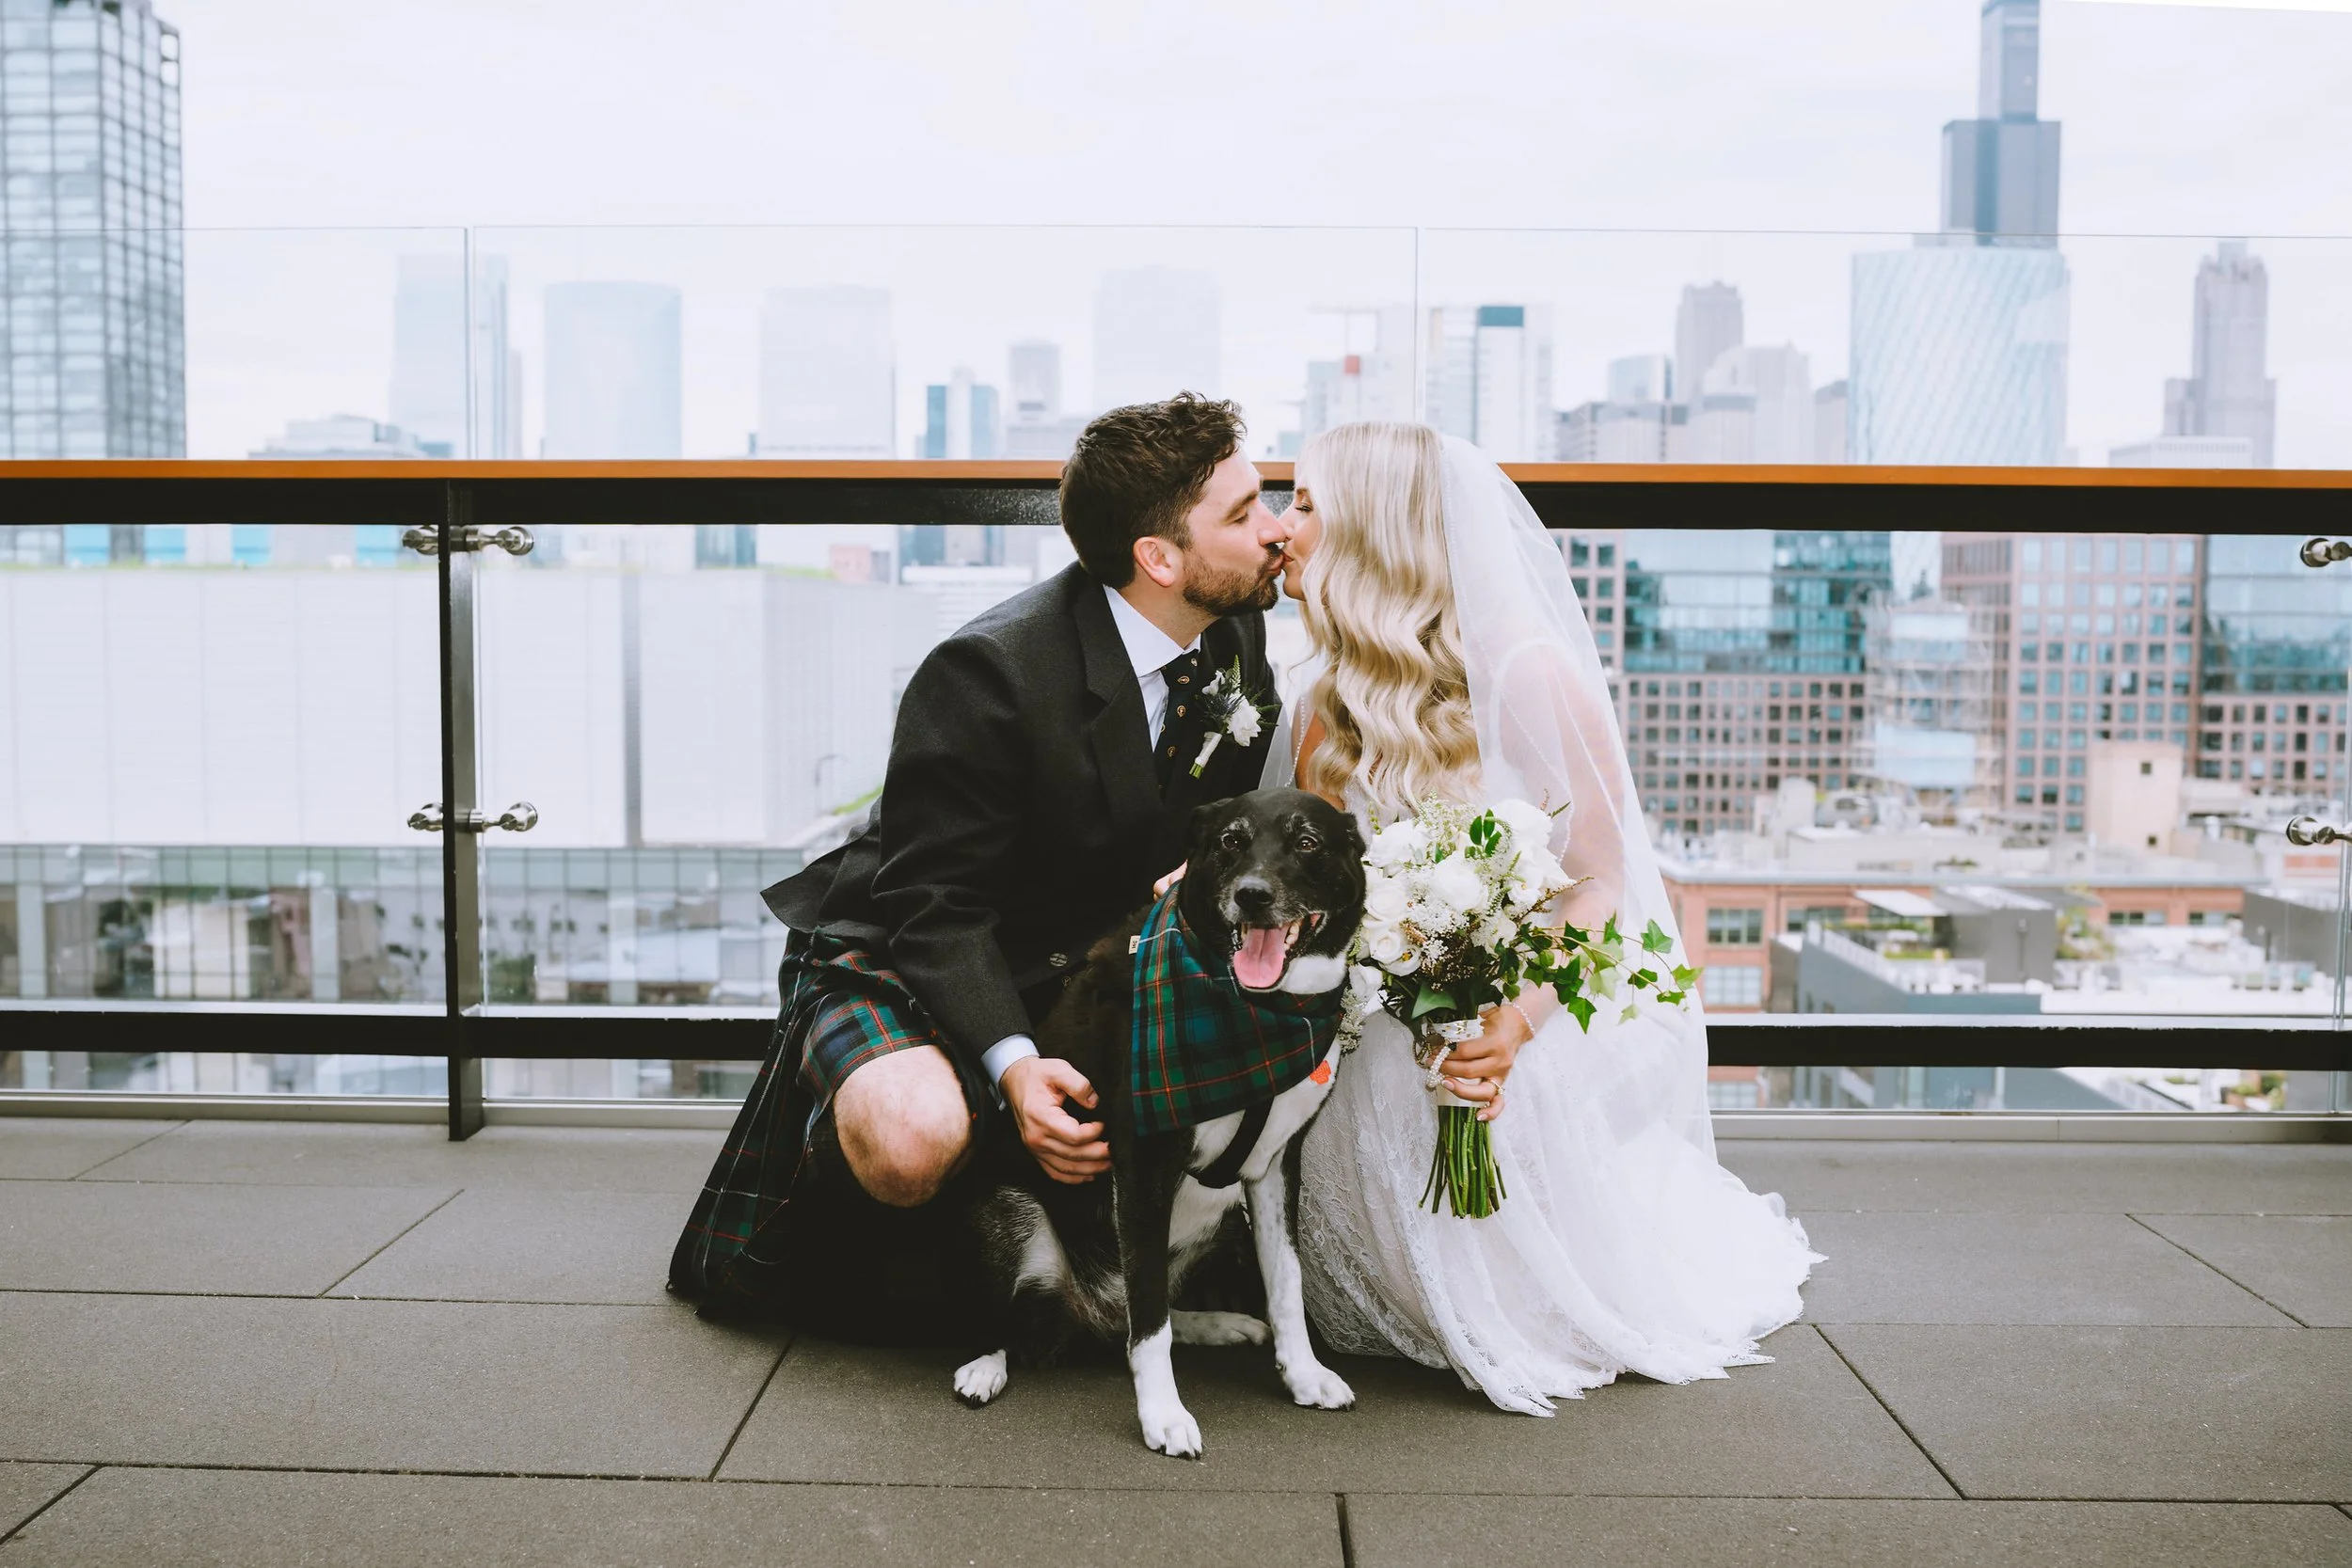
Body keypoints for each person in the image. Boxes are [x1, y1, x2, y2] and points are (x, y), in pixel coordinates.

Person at [670, 393, 1290, 1335]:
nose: (1278, 529)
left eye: (1268, 499)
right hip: (906, 943)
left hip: (1072, 951)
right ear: (1157, 558)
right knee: (914, 1138)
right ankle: (854, 1229)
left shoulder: (1231, 627)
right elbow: (935, 910)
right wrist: (1013, 1068)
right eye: (1245, 515)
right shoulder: (988, 672)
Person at [1268, 420, 1821, 1414]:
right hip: (1379, 1041)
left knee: (1541, 1306)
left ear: (1374, 530)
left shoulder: (1526, 671)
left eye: (1304, 504)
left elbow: (1598, 879)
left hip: (1518, 1023)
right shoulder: (1318, 704)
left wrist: (1508, 1024)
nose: (1281, 528)